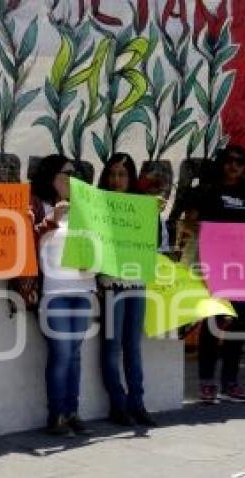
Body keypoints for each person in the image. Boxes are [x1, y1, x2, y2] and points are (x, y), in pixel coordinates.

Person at [33, 155, 96, 436]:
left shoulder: (88, 209)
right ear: (50, 177)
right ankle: (55, 413)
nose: (70, 179)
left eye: (74, 173)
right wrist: (52, 221)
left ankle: (72, 411)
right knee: (61, 353)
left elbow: (102, 244)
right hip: (55, 291)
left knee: (74, 355)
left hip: (83, 289)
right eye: (65, 173)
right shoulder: (39, 207)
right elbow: (30, 245)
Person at [194, 146, 245, 403]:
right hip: (214, 270)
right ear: (222, 164)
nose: (234, 166)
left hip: (243, 273)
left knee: (239, 326)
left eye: (240, 162)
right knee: (212, 326)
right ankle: (206, 382)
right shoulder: (209, 194)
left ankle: (230, 381)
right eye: (230, 161)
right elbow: (200, 232)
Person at [96, 153, 156, 427]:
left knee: (133, 346)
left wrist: (154, 217)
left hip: (136, 281)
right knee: (112, 346)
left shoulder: (142, 206)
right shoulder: (96, 205)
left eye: (122, 174)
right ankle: (118, 405)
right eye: (113, 173)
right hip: (110, 284)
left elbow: (153, 242)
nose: (117, 179)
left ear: (131, 178)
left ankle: (138, 403)